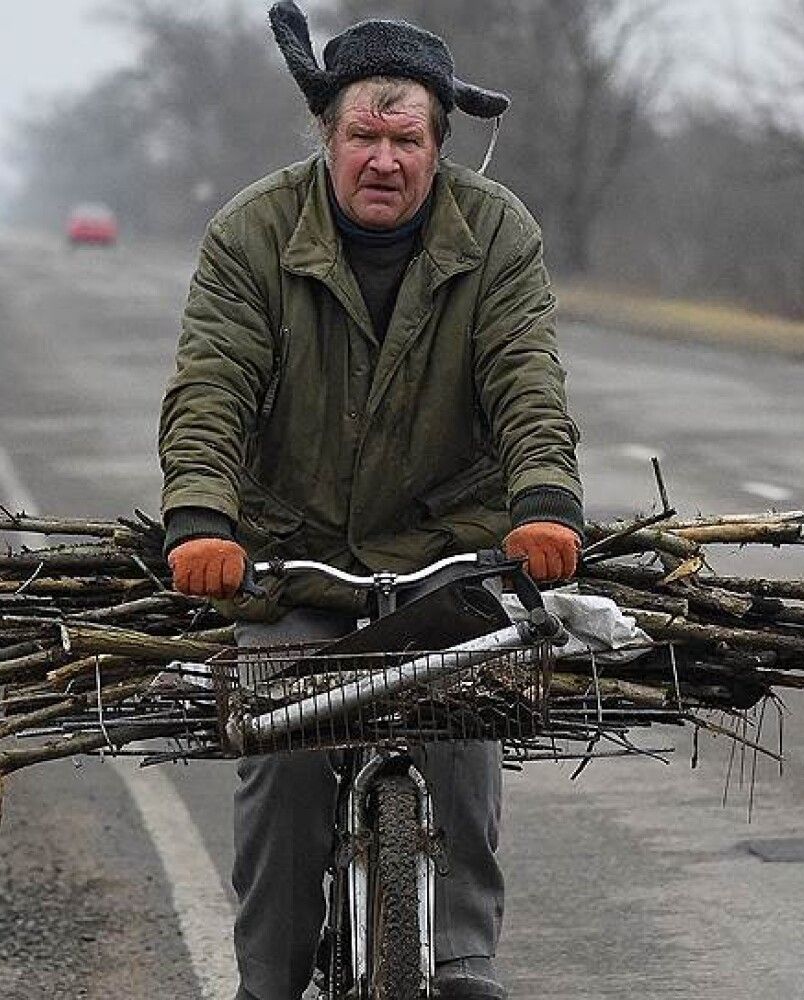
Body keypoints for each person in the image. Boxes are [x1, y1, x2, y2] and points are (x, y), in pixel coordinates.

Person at [157, 3, 583, 997]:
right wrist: (201, 520)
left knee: (467, 703)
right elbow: (210, 387)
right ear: (327, 135)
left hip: (451, 541)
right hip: (294, 549)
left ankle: (466, 958)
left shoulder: (497, 233)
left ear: (440, 146)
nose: (383, 160)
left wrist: (547, 503)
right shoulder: (253, 233)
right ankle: (268, 979)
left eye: (406, 139)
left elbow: (529, 380)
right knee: (284, 748)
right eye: (364, 136)